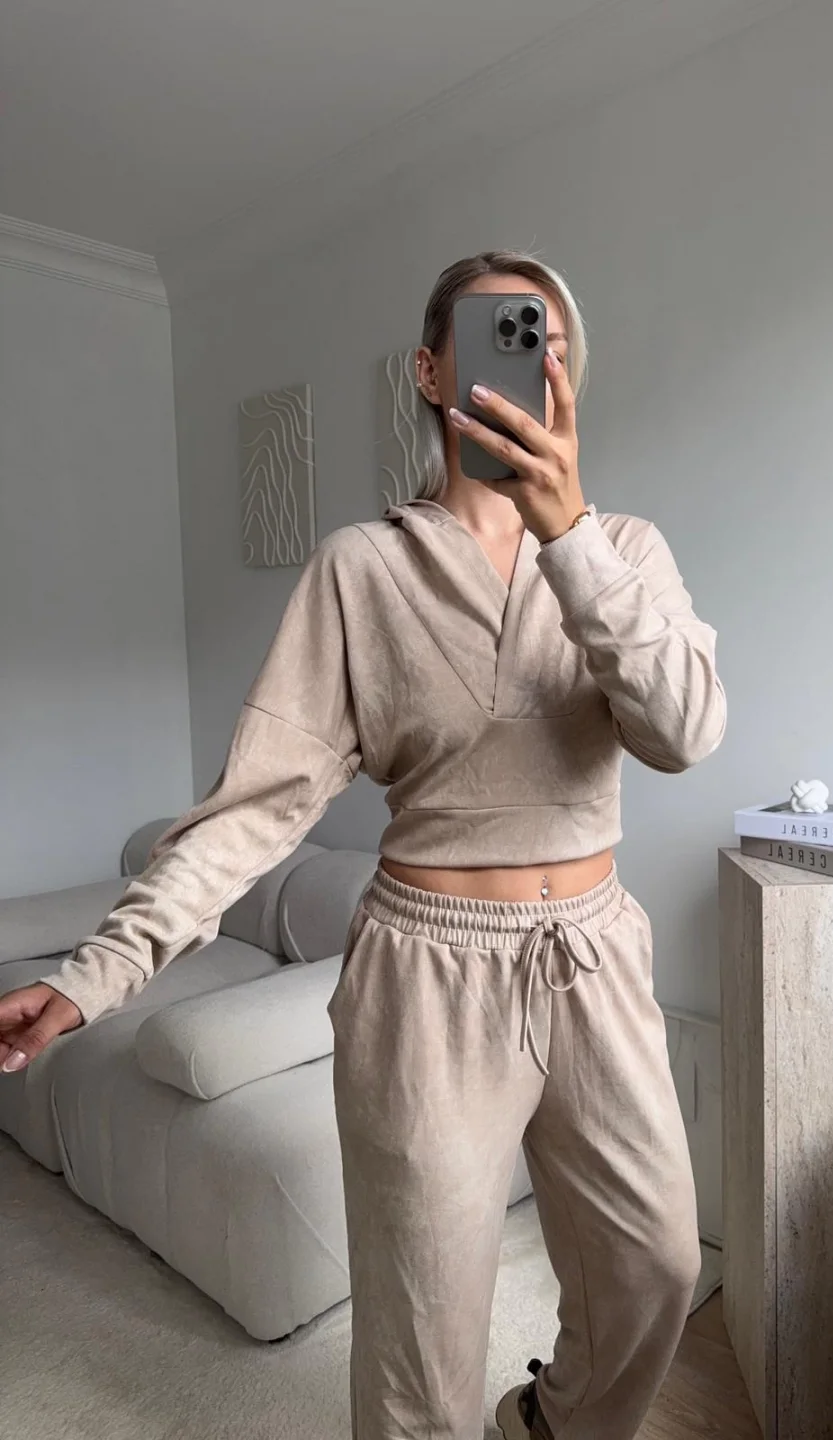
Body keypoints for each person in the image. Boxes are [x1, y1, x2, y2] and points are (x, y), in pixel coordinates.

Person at [0, 250, 727, 1440]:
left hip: (593, 958)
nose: (530, 360)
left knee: (654, 1267)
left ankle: (549, 1422)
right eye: (500, 336)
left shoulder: (627, 552)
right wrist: (97, 973)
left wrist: (570, 537)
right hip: (427, 976)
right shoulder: (362, 568)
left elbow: (685, 730)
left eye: (548, 343)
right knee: (420, 1336)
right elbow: (257, 807)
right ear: (432, 370)